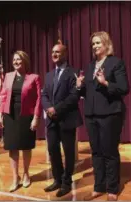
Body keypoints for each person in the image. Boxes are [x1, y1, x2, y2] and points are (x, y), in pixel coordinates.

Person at [76, 31, 129, 201]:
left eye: (98, 43)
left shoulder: (116, 63)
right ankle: (99, 186)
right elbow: (89, 92)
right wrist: (79, 86)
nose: (95, 46)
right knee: (96, 152)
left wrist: (106, 82)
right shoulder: (91, 66)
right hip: (91, 115)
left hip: (110, 114)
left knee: (109, 152)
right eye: (93, 44)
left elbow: (123, 88)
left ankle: (112, 188)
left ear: (106, 44)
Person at [0, 50, 42, 192]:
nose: (16, 62)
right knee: (12, 147)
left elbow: (39, 99)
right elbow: (3, 96)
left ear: (25, 61)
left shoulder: (34, 78)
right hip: (10, 116)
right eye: (14, 59)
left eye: (19, 59)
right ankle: (15, 178)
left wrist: (36, 117)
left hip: (26, 116)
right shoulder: (8, 76)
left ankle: (26, 174)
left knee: (26, 147)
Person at [41, 42, 83, 197]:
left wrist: (55, 109)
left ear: (65, 54)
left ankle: (66, 182)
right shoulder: (49, 75)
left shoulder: (74, 72)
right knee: (53, 150)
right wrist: (48, 108)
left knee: (69, 152)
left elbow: (74, 96)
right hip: (51, 120)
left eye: (58, 52)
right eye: (53, 52)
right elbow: (44, 95)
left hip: (67, 119)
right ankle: (57, 180)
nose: (54, 54)